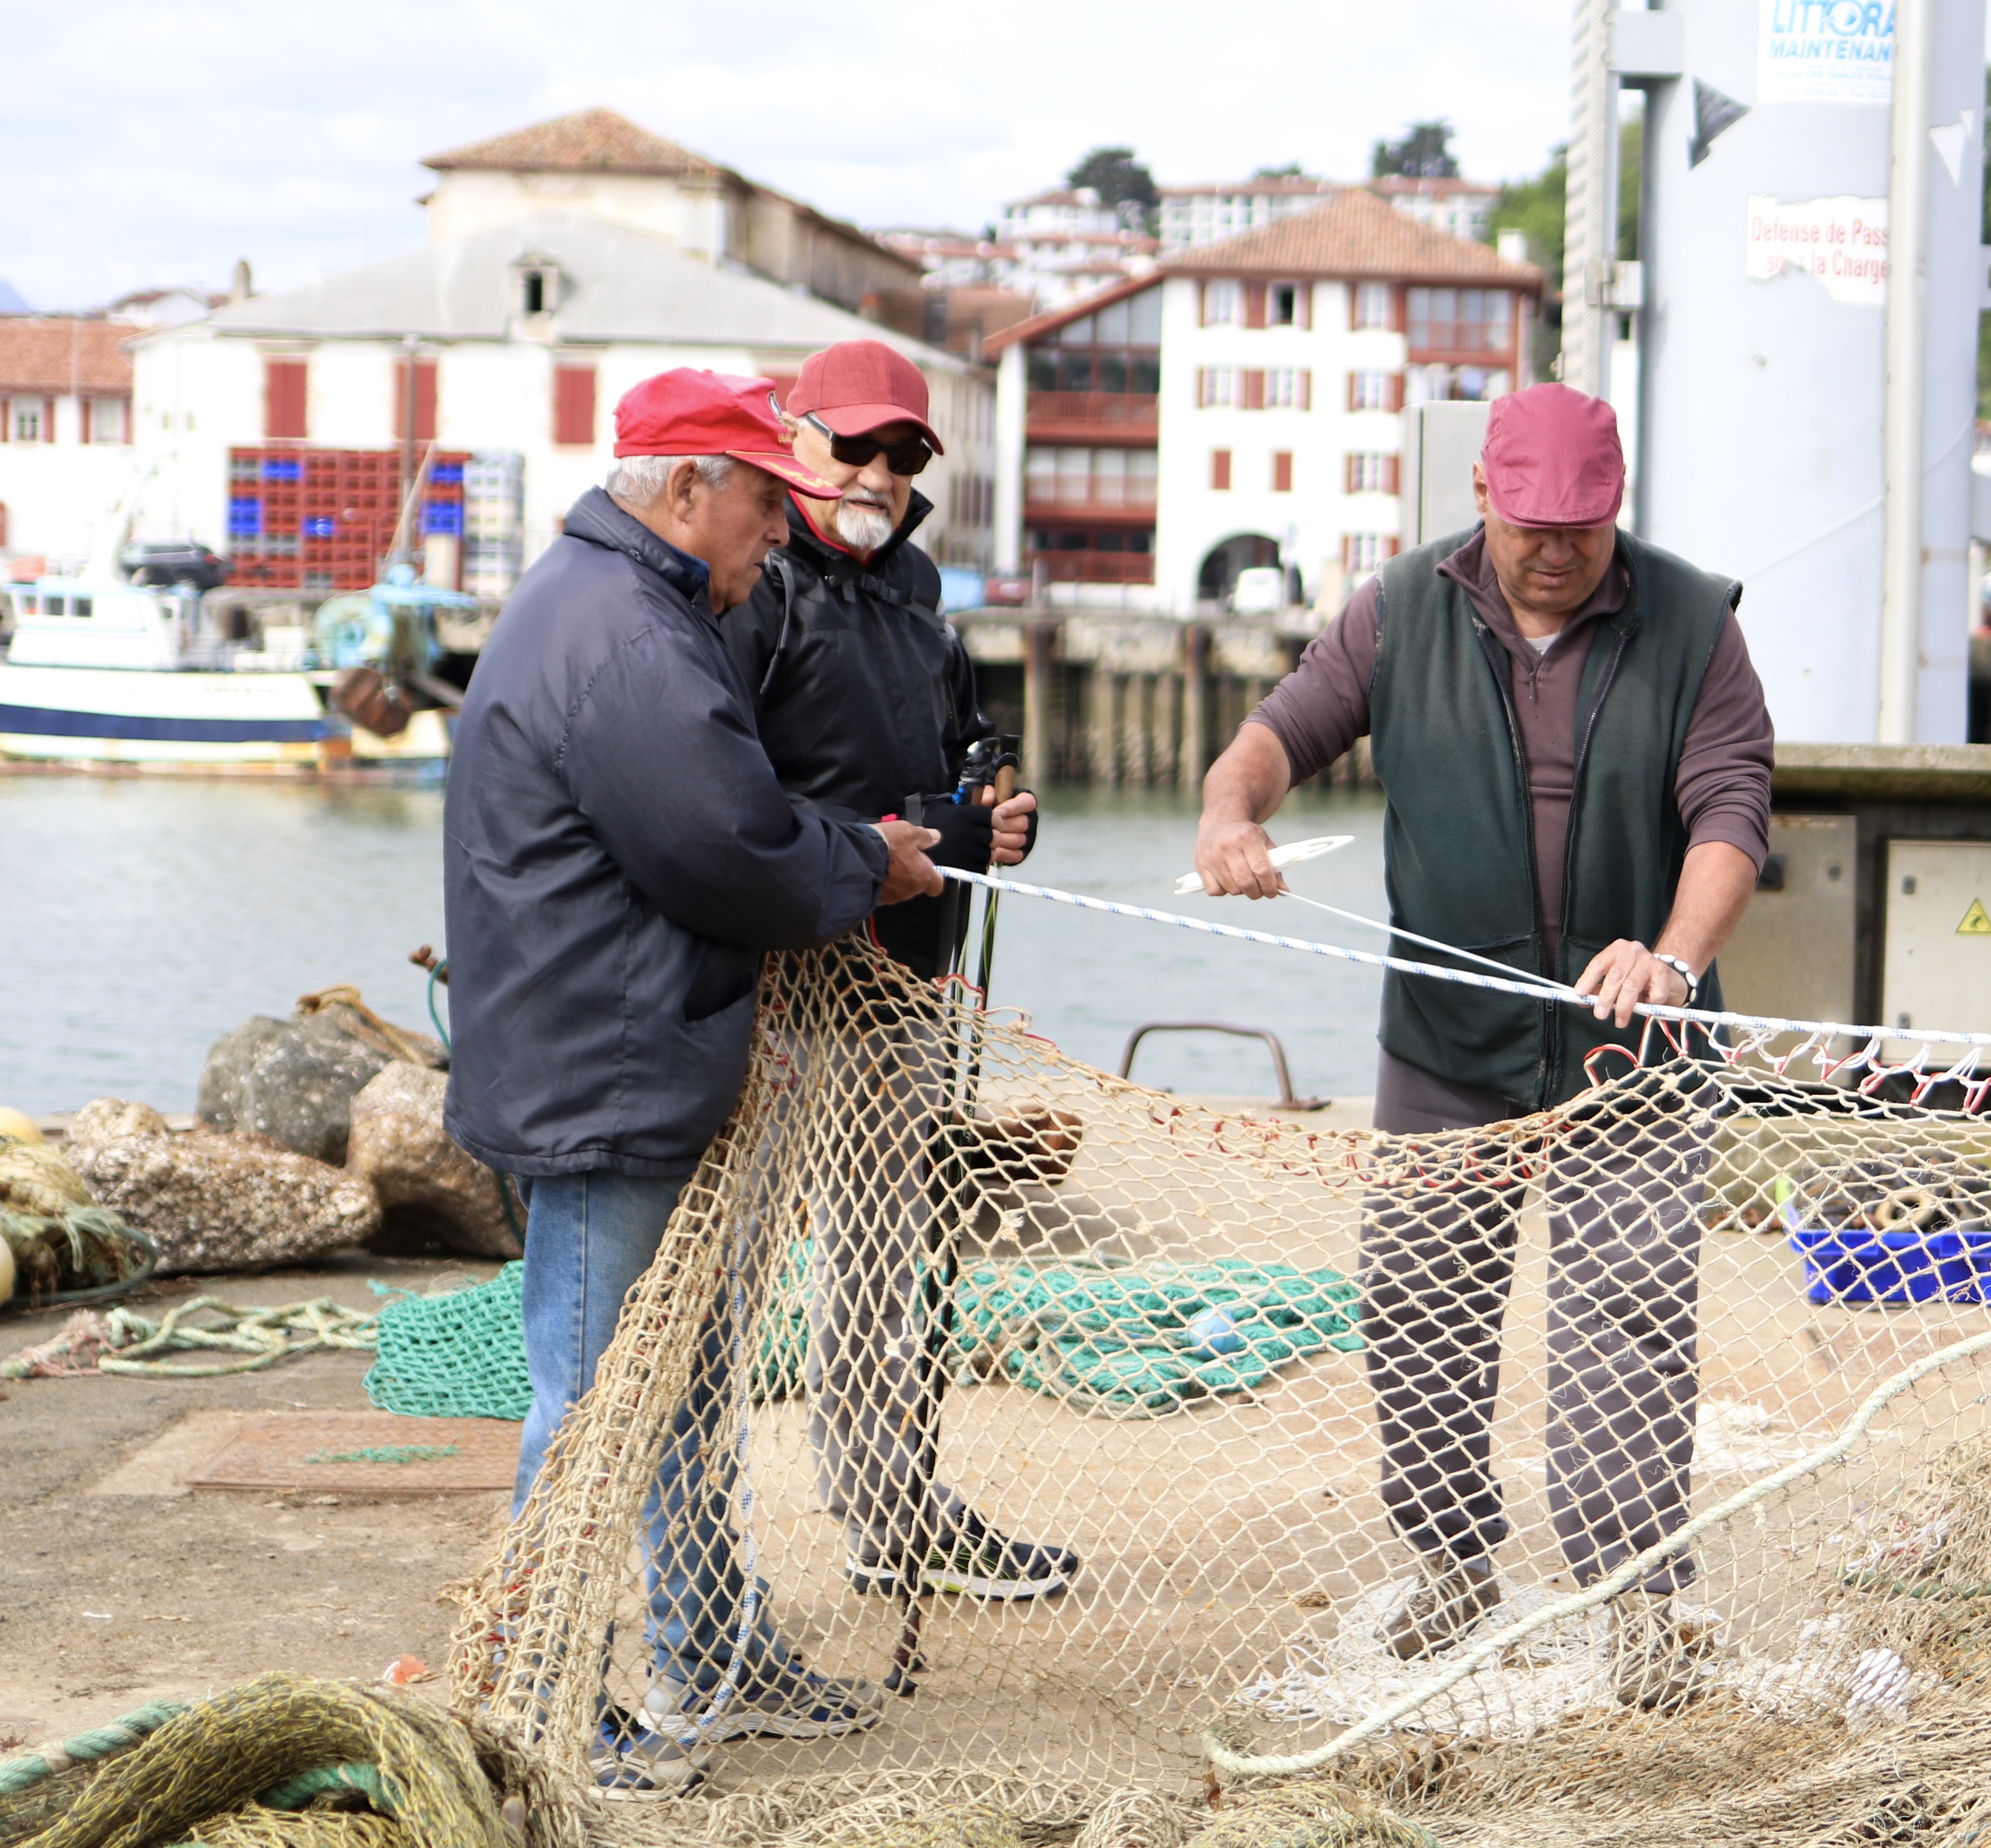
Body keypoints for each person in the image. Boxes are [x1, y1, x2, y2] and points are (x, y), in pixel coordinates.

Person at [1189, 383, 1773, 1709]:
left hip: (1639, 1052)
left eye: (1583, 524)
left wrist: (1673, 958)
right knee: (1415, 1304)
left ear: (1616, 507)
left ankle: (1636, 1605)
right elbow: (1281, 733)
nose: (1557, 548)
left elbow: (1733, 806)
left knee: (1626, 1322)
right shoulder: (1398, 608)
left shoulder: (1698, 625)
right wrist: (1233, 814)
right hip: (1448, 1040)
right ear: (1482, 502)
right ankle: (1452, 1567)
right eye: (1531, 524)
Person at [445, 368, 942, 1798]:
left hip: (616, 1044)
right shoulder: (628, 639)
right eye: (761, 508)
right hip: (603, 1069)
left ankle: (712, 1648)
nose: (778, 538)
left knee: (674, 1383)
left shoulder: (621, 606)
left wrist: (836, 846)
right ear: (684, 489)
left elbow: (726, 822)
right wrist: (871, 865)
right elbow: (725, 849)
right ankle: (538, 1708)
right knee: (595, 1403)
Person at [714, 336, 1079, 1604]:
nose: (876, 469)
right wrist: (885, 848)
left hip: (899, 996)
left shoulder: (918, 583)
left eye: (903, 451)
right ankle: (700, 1567)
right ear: (798, 437)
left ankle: (894, 1511)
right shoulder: (750, 583)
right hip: (768, 992)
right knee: (727, 1278)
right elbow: (723, 799)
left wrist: (996, 815)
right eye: (854, 443)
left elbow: (960, 750)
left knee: (882, 1264)